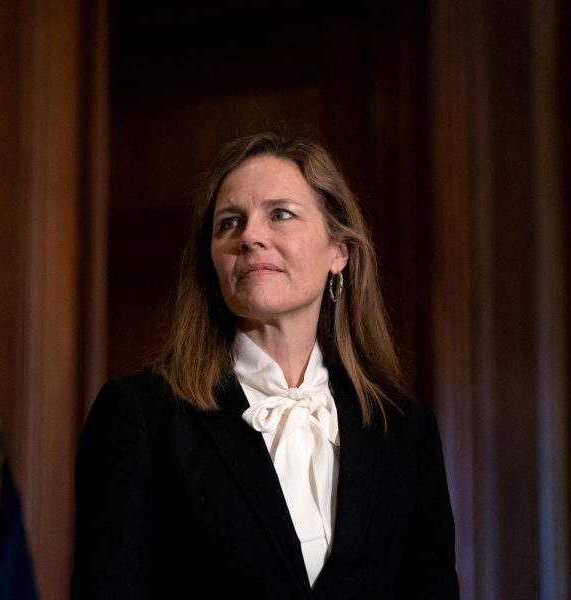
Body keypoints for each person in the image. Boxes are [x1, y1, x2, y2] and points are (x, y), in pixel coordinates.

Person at [72, 132, 458, 599]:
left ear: (339, 251)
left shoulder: (404, 431)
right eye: (229, 223)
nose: (251, 236)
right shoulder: (143, 415)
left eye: (280, 214)